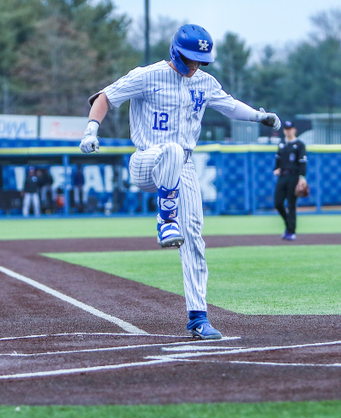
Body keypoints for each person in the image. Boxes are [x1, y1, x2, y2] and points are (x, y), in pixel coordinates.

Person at [79, 24, 281, 340]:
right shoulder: (148, 75)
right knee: (171, 150)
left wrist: (259, 117)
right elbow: (106, 96)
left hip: (182, 166)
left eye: (201, 60)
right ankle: (166, 218)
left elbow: (228, 104)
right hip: (146, 161)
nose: (196, 65)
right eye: (191, 59)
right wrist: (92, 129)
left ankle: (198, 318)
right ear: (176, 52)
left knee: (194, 237)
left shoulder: (204, 81)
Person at [273, 120, 308, 241]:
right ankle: (289, 225)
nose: (288, 131)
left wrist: (302, 178)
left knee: (291, 205)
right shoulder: (281, 143)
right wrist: (276, 169)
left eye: (290, 129)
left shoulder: (299, 145)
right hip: (282, 176)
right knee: (278, 203)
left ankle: (291, 231)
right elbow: (278, 160)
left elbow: (302, 162)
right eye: (286, 129)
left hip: (294, 176)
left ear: (294, 130)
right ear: (284, 131)